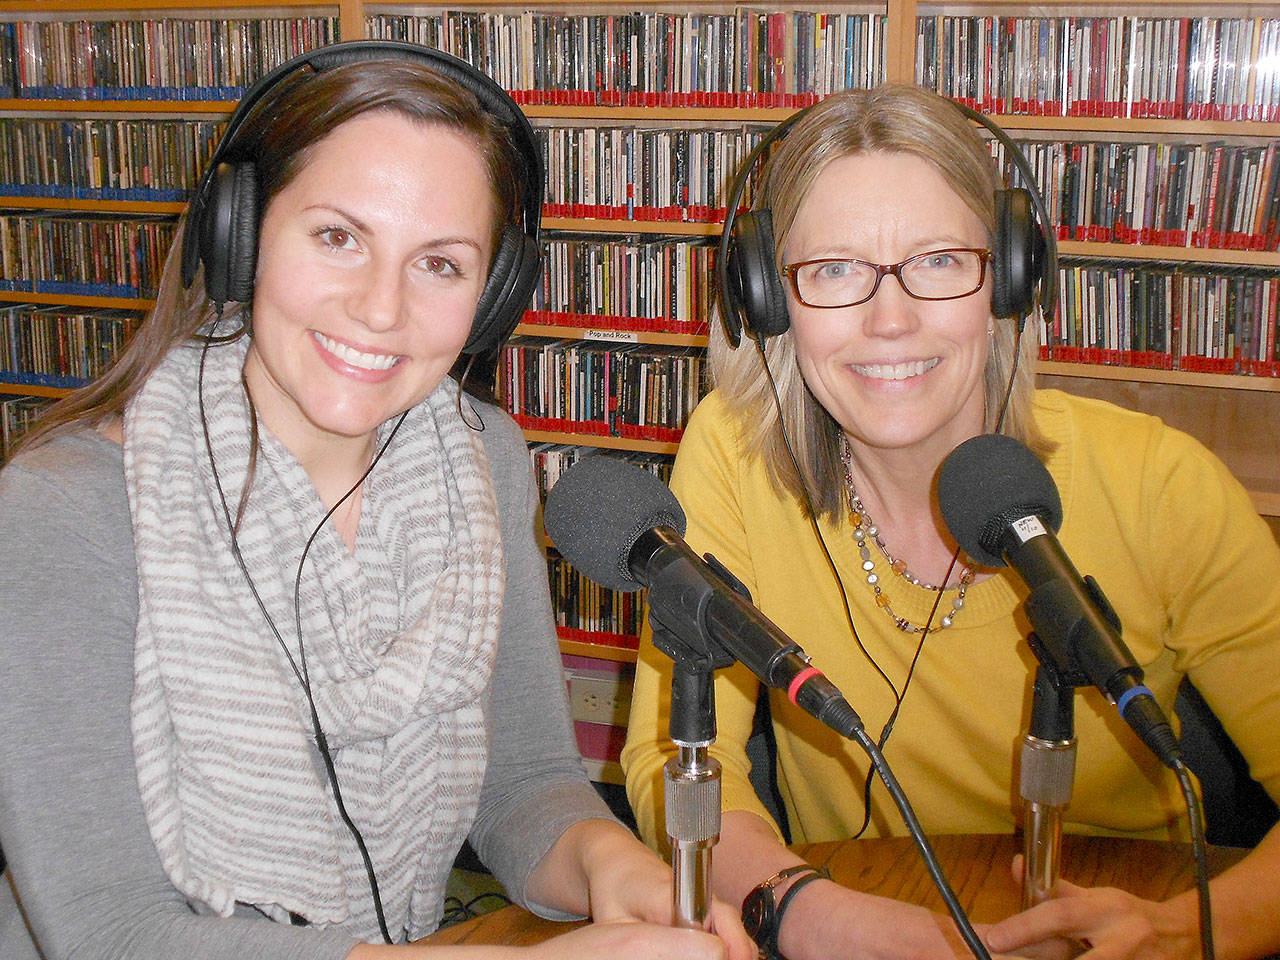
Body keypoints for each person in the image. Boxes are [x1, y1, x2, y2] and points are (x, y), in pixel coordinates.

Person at [0, 41, 754, 960]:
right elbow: (103, 929)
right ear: (240, 236)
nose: (380, 308)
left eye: (439, 263)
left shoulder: (485, 460)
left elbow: (523, 782)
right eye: (338, 237)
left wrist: (610, 867)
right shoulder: (63, 514)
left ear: (493, 296)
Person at [621, 83, 1280, 960]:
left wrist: (1182, 931)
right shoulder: (735, 459)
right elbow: (677, 761)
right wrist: (804, 907)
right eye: (835, 270)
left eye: (938, 260)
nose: (890, 320)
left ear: (1006, 281)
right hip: (858, 916)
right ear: (767, 301)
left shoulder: (1160, 484)